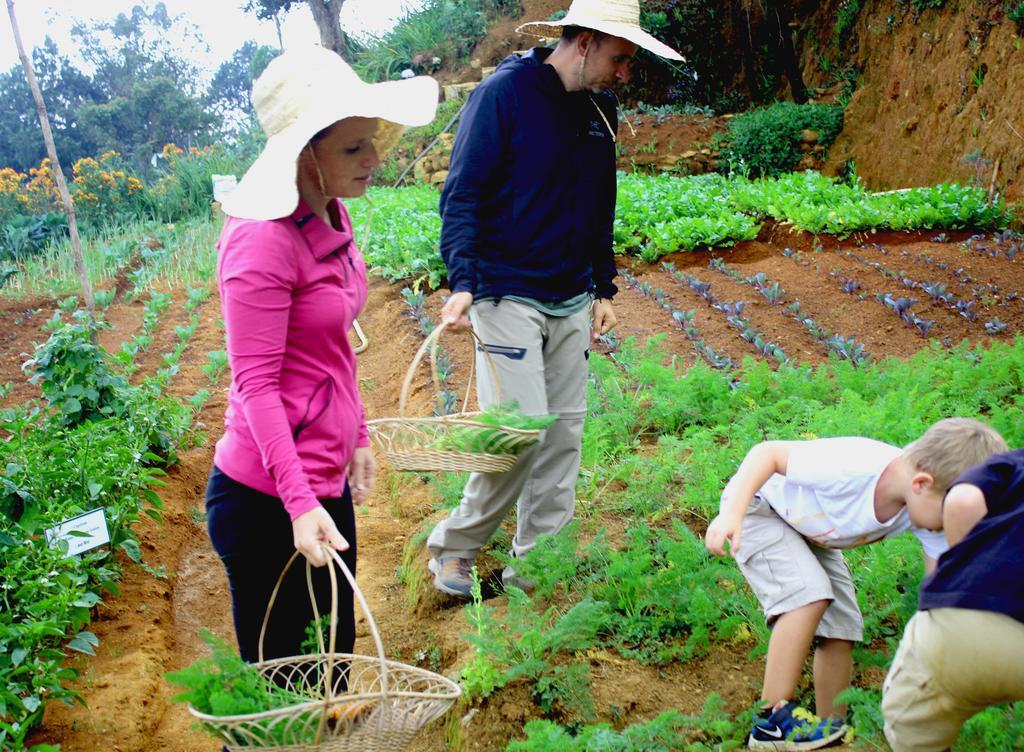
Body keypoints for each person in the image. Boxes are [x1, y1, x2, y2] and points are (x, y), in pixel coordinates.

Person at [427, 0, 683, 598]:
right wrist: (463, 279)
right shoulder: (503, 96)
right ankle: (455, 549)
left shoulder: (600, 108)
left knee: (563, 439)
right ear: (587, 41)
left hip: (570, 295)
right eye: (621, 58)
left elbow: (598, 202)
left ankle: (536, 566)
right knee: (518, 434)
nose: (626, 72)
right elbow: (461, 196)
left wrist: (602, 284)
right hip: (506, 290)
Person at [207, 46, 438, 662]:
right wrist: (300, 502)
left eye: (372, 141)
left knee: (331, 667)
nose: (375, 158)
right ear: (307, 152)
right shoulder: (261, 241)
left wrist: (355, 433)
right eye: (354, 147)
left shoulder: (332, 214)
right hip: (266, 500)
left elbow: (332, 348)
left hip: (321, 479)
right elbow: (255, 385)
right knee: (284, 698)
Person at [705, 418, 1007, 750]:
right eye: (951, 512)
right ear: (922, 483)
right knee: (807, 596)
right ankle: (770, 725)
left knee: (843, 624)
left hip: (810, 533)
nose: (950, 525)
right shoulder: (855, 466)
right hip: (758, 511)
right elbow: (768, 454)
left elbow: (937, 589)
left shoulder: (926, 507)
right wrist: (731, 514)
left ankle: (830, 729)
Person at [882, 447, 1024, 752]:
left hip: (974, 620)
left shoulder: (1012, 463)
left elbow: (964, 500)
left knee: (908, 723)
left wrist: (966, 564)